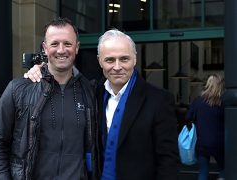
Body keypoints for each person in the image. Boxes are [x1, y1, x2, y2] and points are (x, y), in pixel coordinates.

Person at [25, 29, 179, 180]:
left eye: (124, 59)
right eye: (110, 60)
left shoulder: (159, 100)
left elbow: (168, 162)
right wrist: (41, 69)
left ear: (135, 59)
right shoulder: (92, 92)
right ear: (99, 60)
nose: (117, 67)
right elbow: (62, 76)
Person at [0, 17, 100, 180]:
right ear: (45, 48)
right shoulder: (18, 89)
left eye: (67, 44)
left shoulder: (90, 91)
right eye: (54, 44)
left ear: (77, 48)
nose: (61, 50)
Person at [186, 74, 225, 180]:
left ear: (208, 84)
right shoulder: (223, 103)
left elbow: (188, 118)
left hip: (202, 142)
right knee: (223, 170)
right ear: (220, 86)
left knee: (203, 172)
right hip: (220, 143)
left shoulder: (198, 101)